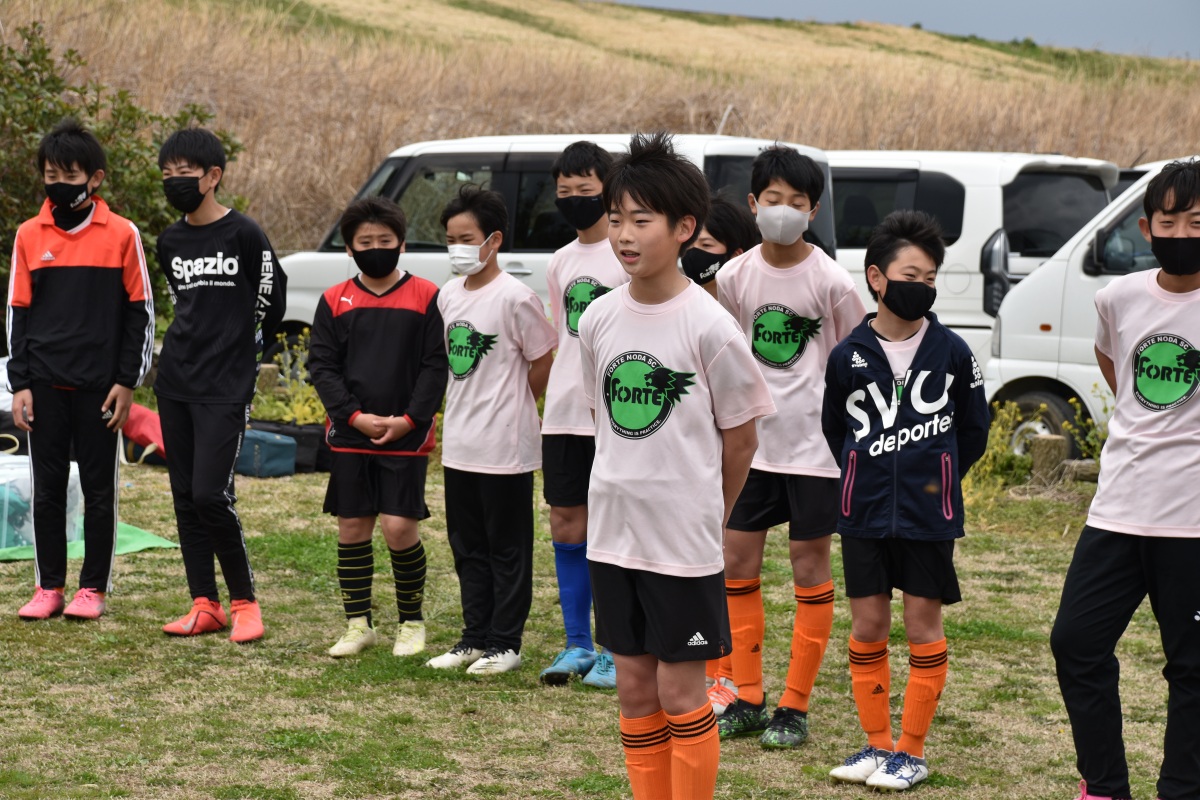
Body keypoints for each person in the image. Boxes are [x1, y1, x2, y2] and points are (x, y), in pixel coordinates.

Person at [579, 131, 776, 800]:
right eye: (616, 219)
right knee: (634, 688)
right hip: (613, 536)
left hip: (682, 543)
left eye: (642, 220)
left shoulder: (710, 325)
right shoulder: (598, 319)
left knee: (680, 690)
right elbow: (603, 422)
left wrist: (709, 512)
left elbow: (741, 439)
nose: (624, 235)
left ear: (684, 227)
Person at [821, 209, 988, 791]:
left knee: (922, 625)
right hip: (863, 514)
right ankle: (876, 744)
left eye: (931, 277)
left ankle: (911, 752)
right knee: (868, 626)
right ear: (876, 277)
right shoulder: (847, 354)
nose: (923, 286)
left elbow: (974, 431)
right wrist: (860, 474)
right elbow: (835, 429)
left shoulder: (954, 352)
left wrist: (936, 477)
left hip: (927, 516)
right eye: (911, 275)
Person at [1051, 159, 1200, 800]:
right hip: (1117, 508)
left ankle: (1183, 789)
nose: (1182, 233)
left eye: (1197, 222)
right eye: (1169, 221)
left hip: (1192, 521)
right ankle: (1106, 787)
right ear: (1146, 228)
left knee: (1192, 667)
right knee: (1075, 643)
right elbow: (1115, 365)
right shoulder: (1118, 297)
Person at [711, 146, 865, 747]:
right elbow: (723, 354)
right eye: (772, 199)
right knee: (736, 562)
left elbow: (857, 361)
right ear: (753, 204)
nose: (783, 210)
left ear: (813, 210)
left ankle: (794, 706)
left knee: (809, 567)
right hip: (751, 448)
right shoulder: (734, 276)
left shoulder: (833, 281)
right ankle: (747, 696)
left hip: (815, 452)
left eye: (796, 202)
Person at [8, 118, 154, 621]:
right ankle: (48, 587)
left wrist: (127, 381)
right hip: (43, 385)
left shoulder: (123, 234)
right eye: (51, 174)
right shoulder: (28, 235)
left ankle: (92, 588)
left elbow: (141, 312)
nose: (59, 184)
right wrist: (20, 384)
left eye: (70, 175)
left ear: (95, 178)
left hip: (101, 388)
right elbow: (17, 313)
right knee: (46, 489)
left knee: (98, 491)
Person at [154, 128, 287, 644]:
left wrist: (242, 352)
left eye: (184, 172)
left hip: (226, 385)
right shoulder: (170, 241)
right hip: (175, 382)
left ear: (213, 176)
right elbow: (182, 302)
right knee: (186, 496)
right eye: (167, 173)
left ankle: (245, 604)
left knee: (212, 494)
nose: (174, 181)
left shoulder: (244, 233)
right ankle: (204, 604)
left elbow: (271, 302)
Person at [308, 196, 448, 659]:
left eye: (384, 240)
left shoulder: (427, 295)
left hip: (406, 435)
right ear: (349, 248)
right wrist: (353, 416)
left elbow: (435, 366)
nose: (375, 249)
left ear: (402, 244)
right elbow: (322, 366)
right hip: (352, 434)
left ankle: (411, 622)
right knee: (352, 526)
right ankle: (358, 624)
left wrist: (409, 419)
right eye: (364, 242)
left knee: (398, 528)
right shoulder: (334, 299)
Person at [426, 185, 556, 675]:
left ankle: (506, 642)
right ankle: (474, 637)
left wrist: (516, 403)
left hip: (505, 447)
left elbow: (543, 359)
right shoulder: (448, 295)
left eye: (467, 238)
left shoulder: (516, 297)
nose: (457, 248)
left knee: (507, 548)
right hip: (461, 443)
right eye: (450, 239)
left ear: (493, 240)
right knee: (467, 547)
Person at [538, 140, 629, 688]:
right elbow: (563, 339)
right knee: (566, 523)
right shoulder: (561, 261)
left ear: (608, 189)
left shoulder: (627, 254)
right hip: (564, 413)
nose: (574, 198)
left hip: (616, 416)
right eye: (565, 190)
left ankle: (617, 647)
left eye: (585, 189)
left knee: (615, 528)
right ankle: (577, 644)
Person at [682, 193, 759, 300]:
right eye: (688, 243)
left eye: (706, 244)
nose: (692, 251)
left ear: (736, 255)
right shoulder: (676, 303)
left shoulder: (755, 303)